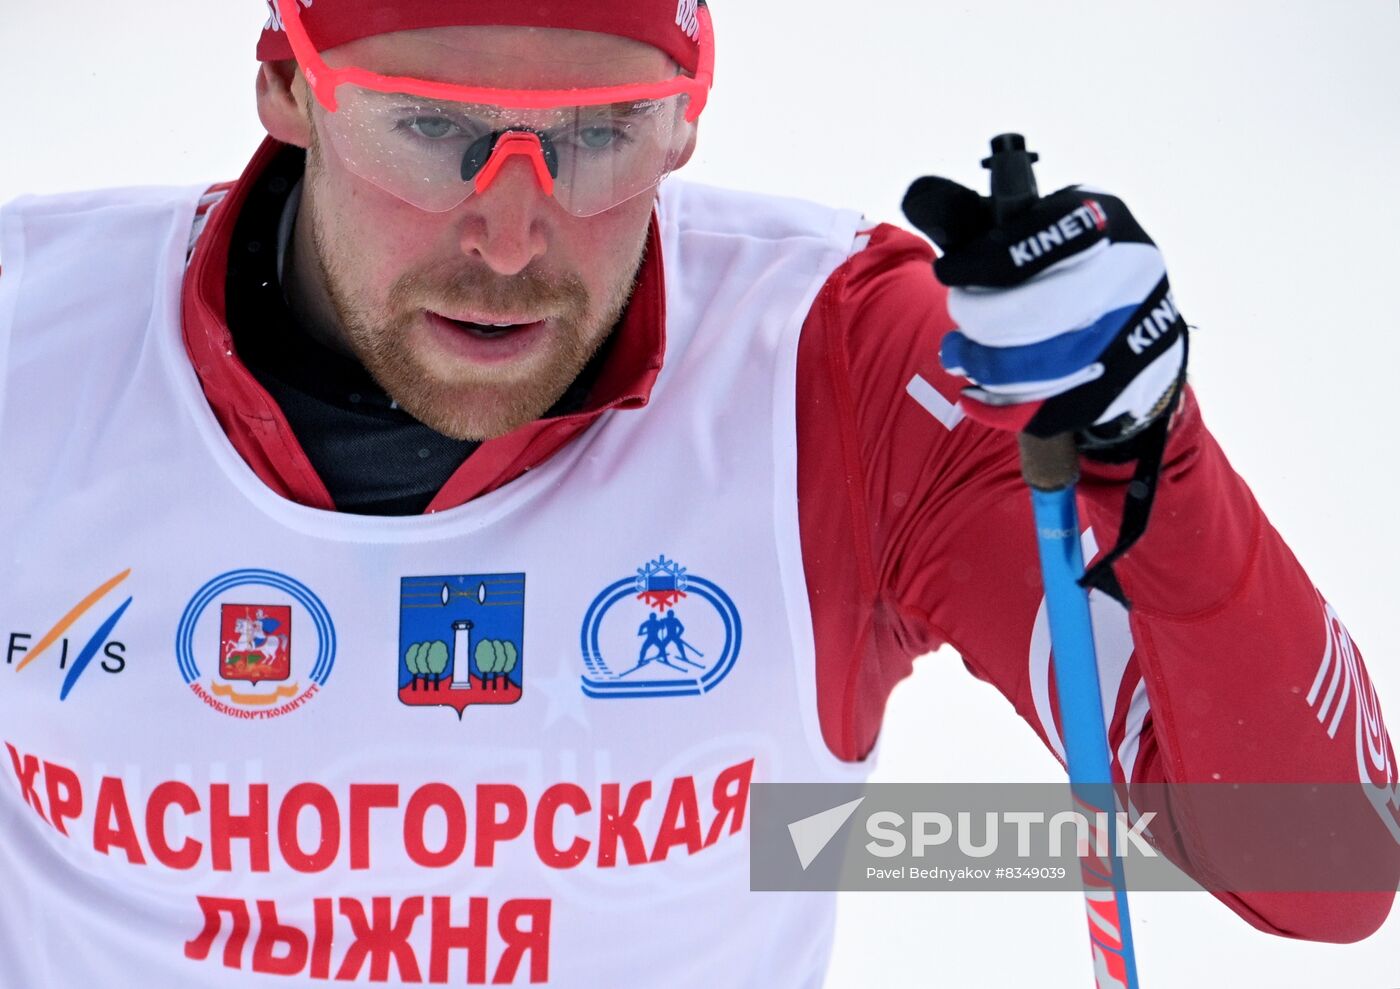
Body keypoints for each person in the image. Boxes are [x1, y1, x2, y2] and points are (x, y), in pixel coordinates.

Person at [0, 1, 1395, 985]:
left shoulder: (834, 374)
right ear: (289, 86)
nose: (507, 233)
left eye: (599, 135)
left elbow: (1327, 857)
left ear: (687, 124)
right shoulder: (30, 350)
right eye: (430, 130)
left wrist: (1157, 457)